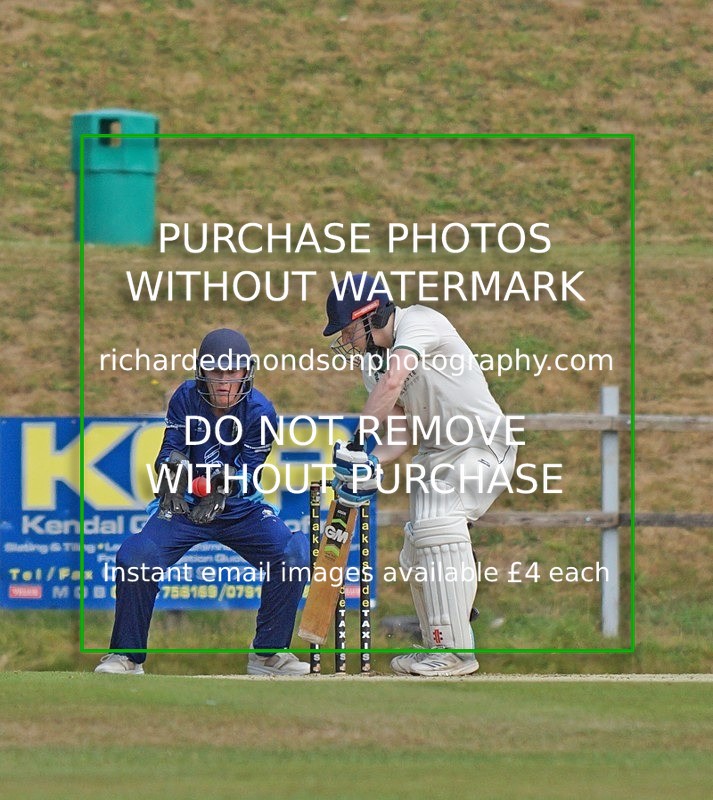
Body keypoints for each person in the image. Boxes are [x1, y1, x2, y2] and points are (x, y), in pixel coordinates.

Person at [325, 274, 517, 676]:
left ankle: (457, 653)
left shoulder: (420, 321)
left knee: (438, 520)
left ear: (369, 317)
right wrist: (370, 463)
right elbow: (403, 431)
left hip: (483, 445)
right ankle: (437, 646)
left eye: (348, 330)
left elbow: (397, 378)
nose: (347, 340)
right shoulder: (371, 367)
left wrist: (358, 442)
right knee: (418, 549)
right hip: (436, 457)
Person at [95, 328, 310, 676]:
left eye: (232, 372)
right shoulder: (185, 397)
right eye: (216, 372)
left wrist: (220, 485)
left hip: (240, 507)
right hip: (185, 507)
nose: (224, 382)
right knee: (136, 557)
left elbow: (249, 474)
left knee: (293, 554)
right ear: (202, 371)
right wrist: (170, 474)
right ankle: (126, 657)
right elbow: (169, 450)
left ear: (246, 372)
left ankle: (268, 655)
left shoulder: (261, 412)